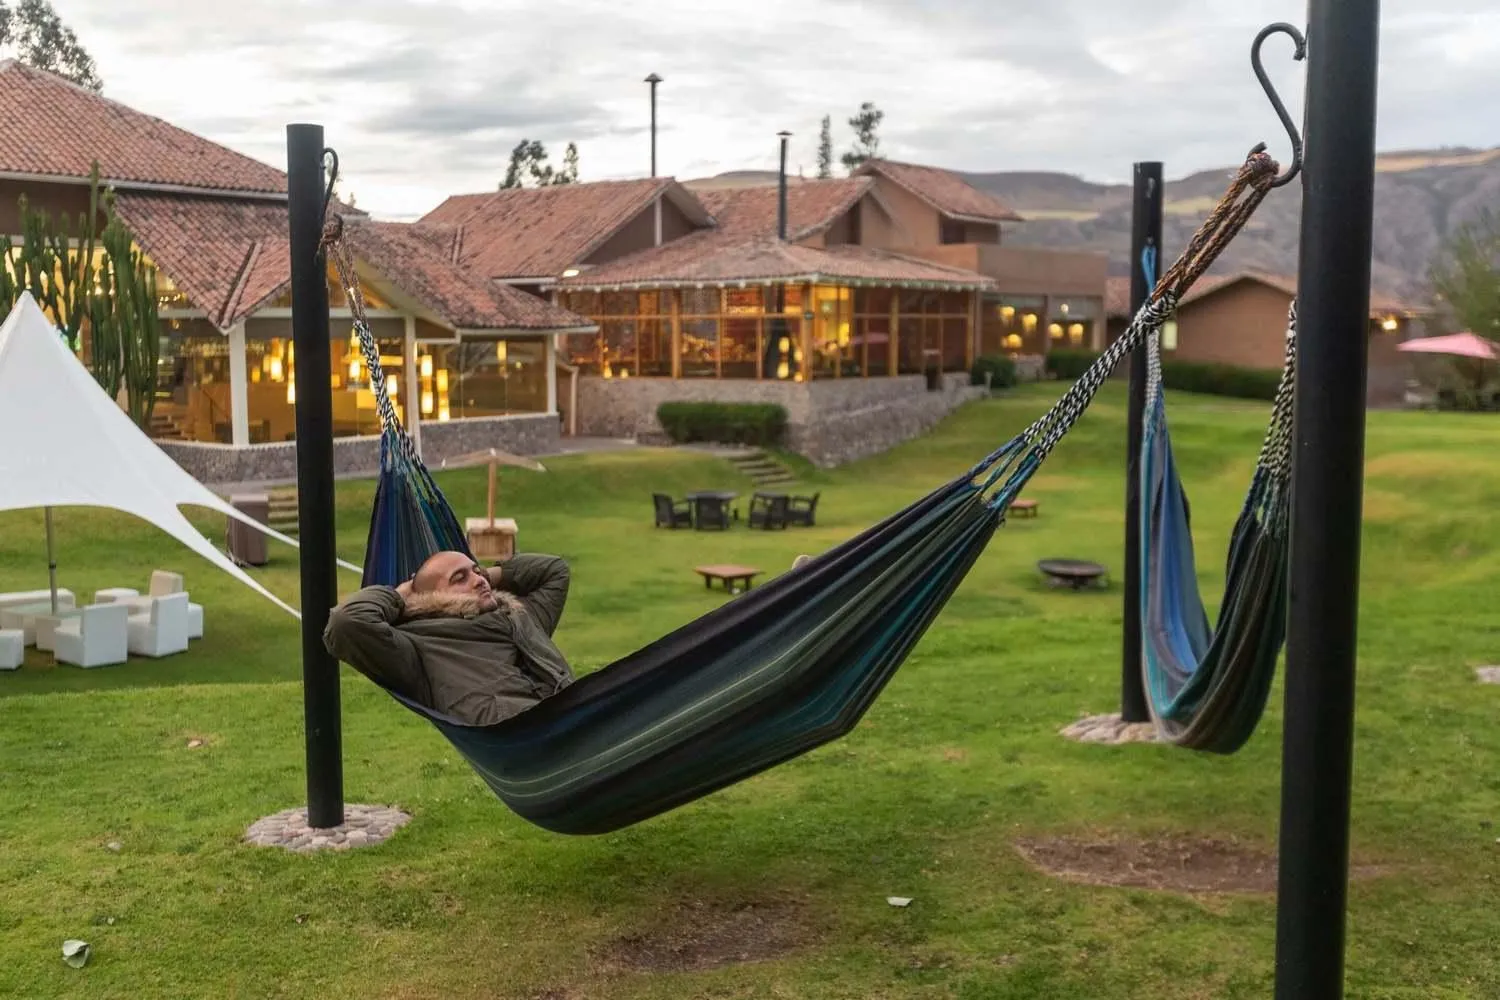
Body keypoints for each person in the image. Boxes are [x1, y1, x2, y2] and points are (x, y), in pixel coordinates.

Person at [323, 551, 574, 726]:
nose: (478, 580)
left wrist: (486, 575)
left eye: (476, 572)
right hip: (528, 737)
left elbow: (554, 571)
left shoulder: (521, 613)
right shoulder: (420, 646)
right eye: (460, 578)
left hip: (576, 717)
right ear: (431, 596)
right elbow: (347, 622)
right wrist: (402, 593)